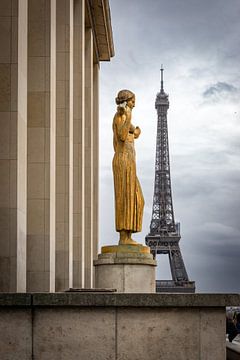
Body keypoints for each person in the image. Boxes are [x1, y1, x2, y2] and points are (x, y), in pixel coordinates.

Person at [112, 89, 144, 245]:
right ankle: (124, 237)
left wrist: (137, 130)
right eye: (132, 101)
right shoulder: (120, 116)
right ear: (126, 101)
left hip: (130, 163)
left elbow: (134, 132)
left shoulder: (125, 118)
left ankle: (128, 234)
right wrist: (128, 115)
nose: (134, 103)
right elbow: (122, 136)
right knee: (125, 198)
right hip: (123, 162)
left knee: (138, 199)